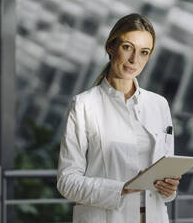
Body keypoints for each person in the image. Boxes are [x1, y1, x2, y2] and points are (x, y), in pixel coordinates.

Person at [57, 13, 181, 223]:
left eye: (144, 52)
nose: (134, 59)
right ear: (110, 47)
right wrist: (121, 188)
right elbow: (67, 182)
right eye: (127, 47)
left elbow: (167, 185)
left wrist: (169, 188)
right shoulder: (84, 105)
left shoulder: (159, 105)